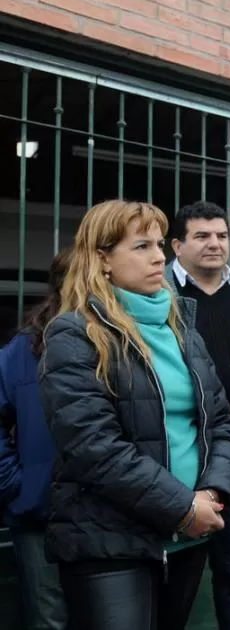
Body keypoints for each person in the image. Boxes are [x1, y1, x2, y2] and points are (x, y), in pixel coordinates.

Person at [36, 199, 230, 630]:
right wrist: (183, 505)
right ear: (103, 259)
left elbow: (219, 420)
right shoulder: (74, 334)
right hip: (110, 539)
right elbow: (93, 447)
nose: (158, 257)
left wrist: (213, 491)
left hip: (188, 533)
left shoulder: (181, 327)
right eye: (141, 246)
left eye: (159, 246)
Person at [166, 200, 230, 630]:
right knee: (170, 577)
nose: (214, 244)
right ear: (177, 245)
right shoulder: (161, 294)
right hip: (180, 454)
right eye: (202, 236)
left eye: (221, 236)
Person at [0, 250, 73, 630]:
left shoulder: (125, 341)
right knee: (50, 622)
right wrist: (18, 484)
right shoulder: (21, 350)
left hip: (117, 515)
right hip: (38, 514)